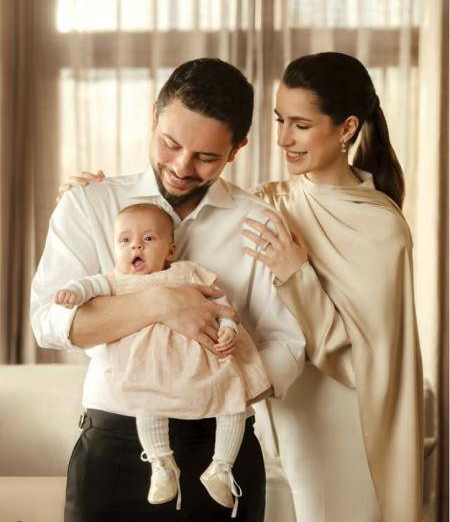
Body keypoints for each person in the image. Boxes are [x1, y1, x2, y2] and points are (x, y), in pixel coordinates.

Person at [30, 58, 306, 522]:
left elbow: (288, 342)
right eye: (170, 143)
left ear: (236, 149)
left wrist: (218, 389)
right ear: (154, 116)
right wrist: (161, 302)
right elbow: (49, 322)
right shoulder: (88, 205)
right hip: (114, 447)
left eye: (206, 157)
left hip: (221, 447)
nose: (181, 167)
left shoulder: (260, 222)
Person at [241, 52, 423, 522]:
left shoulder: (381, 227)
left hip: (345, 421)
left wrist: (296, 273)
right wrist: (92, 194)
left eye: (300, 125)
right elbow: (178, 229)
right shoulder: (270, 201)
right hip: (281, 415)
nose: (283, 139)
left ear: (346, 128)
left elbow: (365, 359)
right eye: (280, 120)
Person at [54, 202, 272, 518]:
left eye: (148, 239)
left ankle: (221, 467)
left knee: (232, 401)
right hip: (150, 368)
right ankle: (161, 463)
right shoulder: (116, 280)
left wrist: (228, 328)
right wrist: (73, 292)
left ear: (170, 250)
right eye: (125, 240)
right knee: (146, 401)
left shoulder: (187, 273)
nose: (136, 246)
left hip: (203, 363)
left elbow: (221, 305)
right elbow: (89, 286)